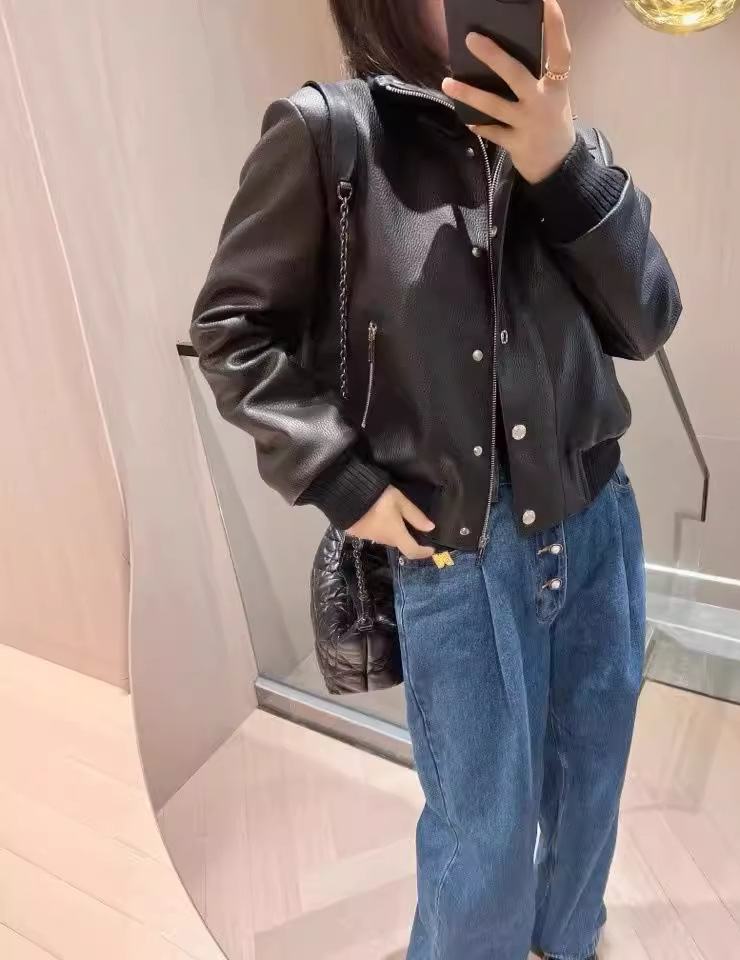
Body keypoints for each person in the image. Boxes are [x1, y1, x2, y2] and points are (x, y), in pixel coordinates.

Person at [191, 1, 681, 956]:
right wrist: (342, 479)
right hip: (460, 556)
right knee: (484, 837)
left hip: (596, 522)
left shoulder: (567, 146)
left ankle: (569, 941)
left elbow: (649, 319)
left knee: (592, 779)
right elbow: (231, 331)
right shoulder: (331, 134)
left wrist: (561, 161)